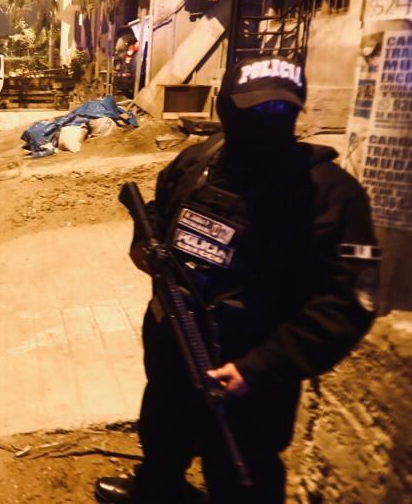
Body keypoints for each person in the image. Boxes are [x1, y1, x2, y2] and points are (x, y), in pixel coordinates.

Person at [94, 56, 378, 503]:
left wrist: (261, 367)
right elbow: (158, 211)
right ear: (227, 109)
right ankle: (158, 487)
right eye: (255, 111)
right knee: (164, 429)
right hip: (174, 341)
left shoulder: (329, 194)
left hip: (253, 369)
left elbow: (345, 304)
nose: (267, 123)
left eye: (280, 112)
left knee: (242, 469)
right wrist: (143, 242)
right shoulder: (198, 161)